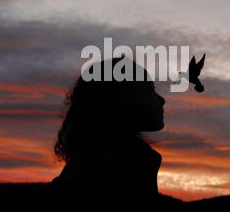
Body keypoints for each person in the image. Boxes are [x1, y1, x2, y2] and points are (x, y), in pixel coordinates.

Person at [51, 57, 168, 203]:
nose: (162, 99)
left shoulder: (87, 163)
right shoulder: (128, 166)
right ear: (123, 98)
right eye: (150, 89)